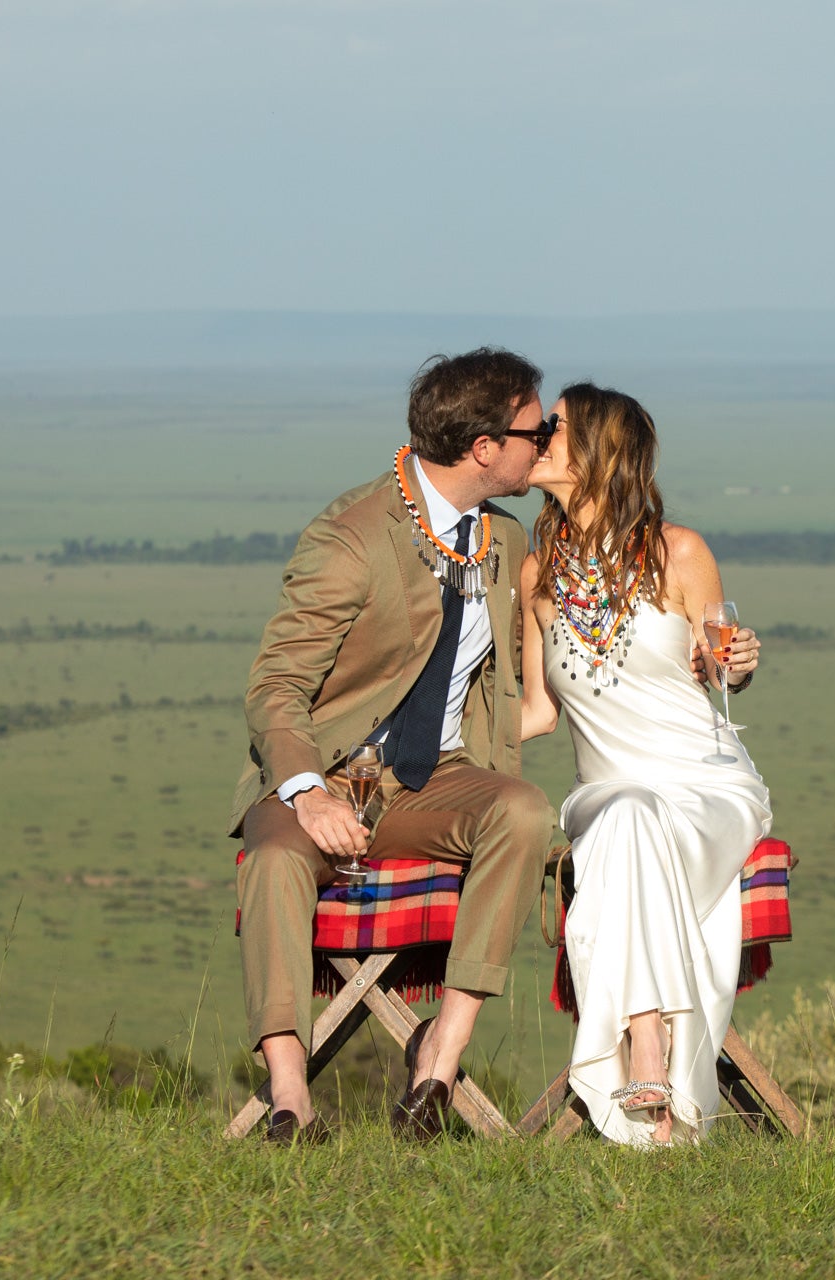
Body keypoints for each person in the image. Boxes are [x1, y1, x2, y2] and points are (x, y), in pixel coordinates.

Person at [232, 348, 558, 1143]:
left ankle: (440, 1054)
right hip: (326, 774)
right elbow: (275, 687)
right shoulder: (351, 539)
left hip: (431, 781)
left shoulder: (505, 542)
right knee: (275, 862)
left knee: (522, 812)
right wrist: (308, 793)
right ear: (486, 448)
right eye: (536, 428)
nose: (545, 442)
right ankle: (289, 1096)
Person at [518, 382, 767, 1147]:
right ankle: (649, 1050)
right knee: (625, 814)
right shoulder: (537, 577)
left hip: (706, 786)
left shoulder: (680, 552)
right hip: (606, 792)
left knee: (639, 820)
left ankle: (645, 1055)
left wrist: (740, 662)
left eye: (553, 427)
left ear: (601, 450)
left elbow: (720, 665)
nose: (536, 435)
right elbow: (536, 712)